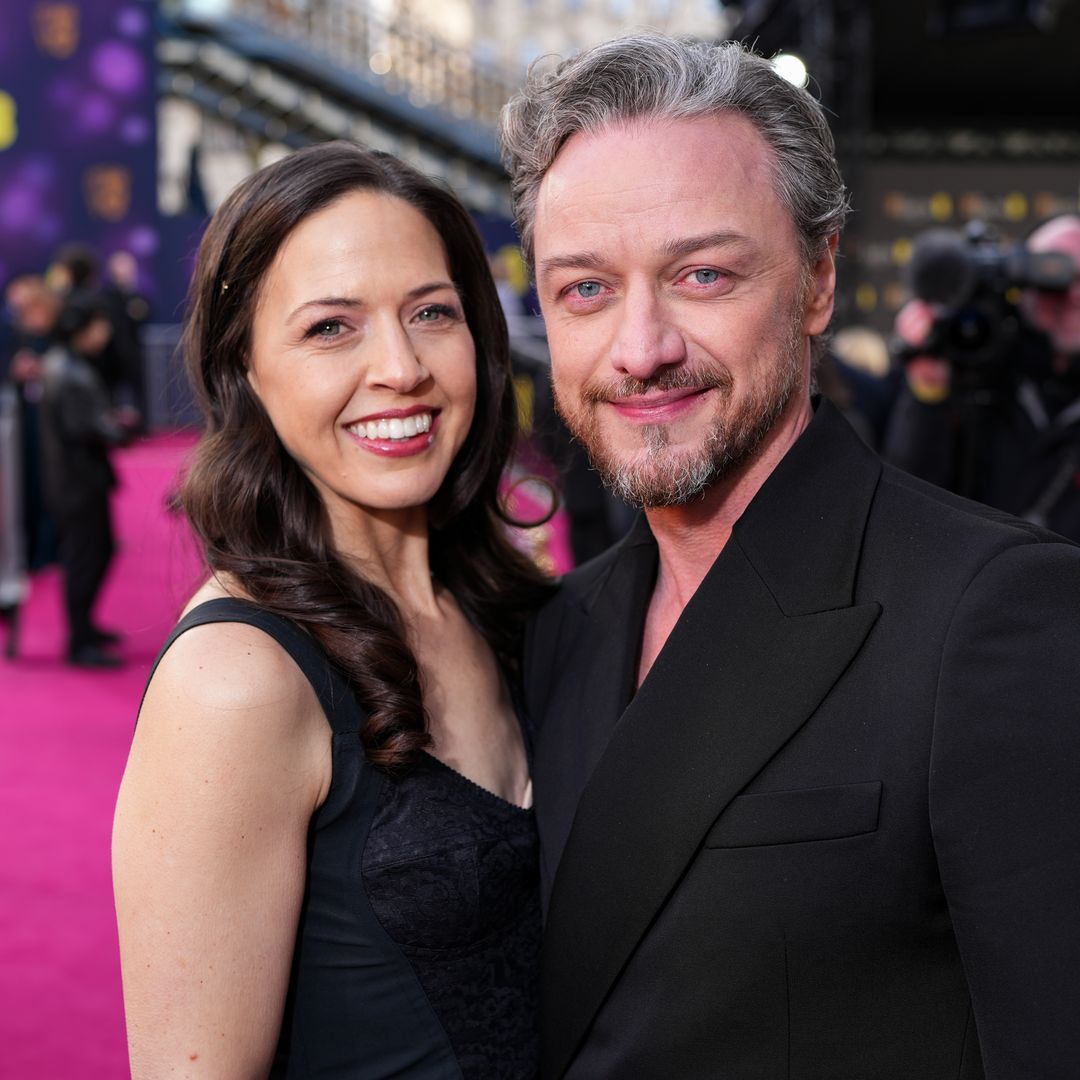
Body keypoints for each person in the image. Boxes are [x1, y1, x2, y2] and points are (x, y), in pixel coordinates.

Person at [498, 32, 1080, 1079]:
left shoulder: (996, 615)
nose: (641, 350)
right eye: (585, 290)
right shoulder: (556, 631)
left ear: (818, 280)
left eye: (704, 274)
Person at [112, 141, 551, 1077]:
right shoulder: (238, 680)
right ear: (245, 371)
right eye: (330, 329)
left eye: (432, 313)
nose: (400, 367)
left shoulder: (507, 606)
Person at [884, 214, 1080, 541]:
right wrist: (928, 390)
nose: (1074, 296)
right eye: (1056, 276)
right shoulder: (972, 365)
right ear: (1022, 283)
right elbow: (906, 505)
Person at [39, 292, 130, 667]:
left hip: (74, 477)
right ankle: (79, 641)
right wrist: (120, 428)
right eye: (99, 324)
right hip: (78, 480)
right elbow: (90, 427)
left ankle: (85, 629)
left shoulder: (62, 364)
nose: (105, 332)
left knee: (96, 552)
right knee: (85, 558)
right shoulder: (70, 372)